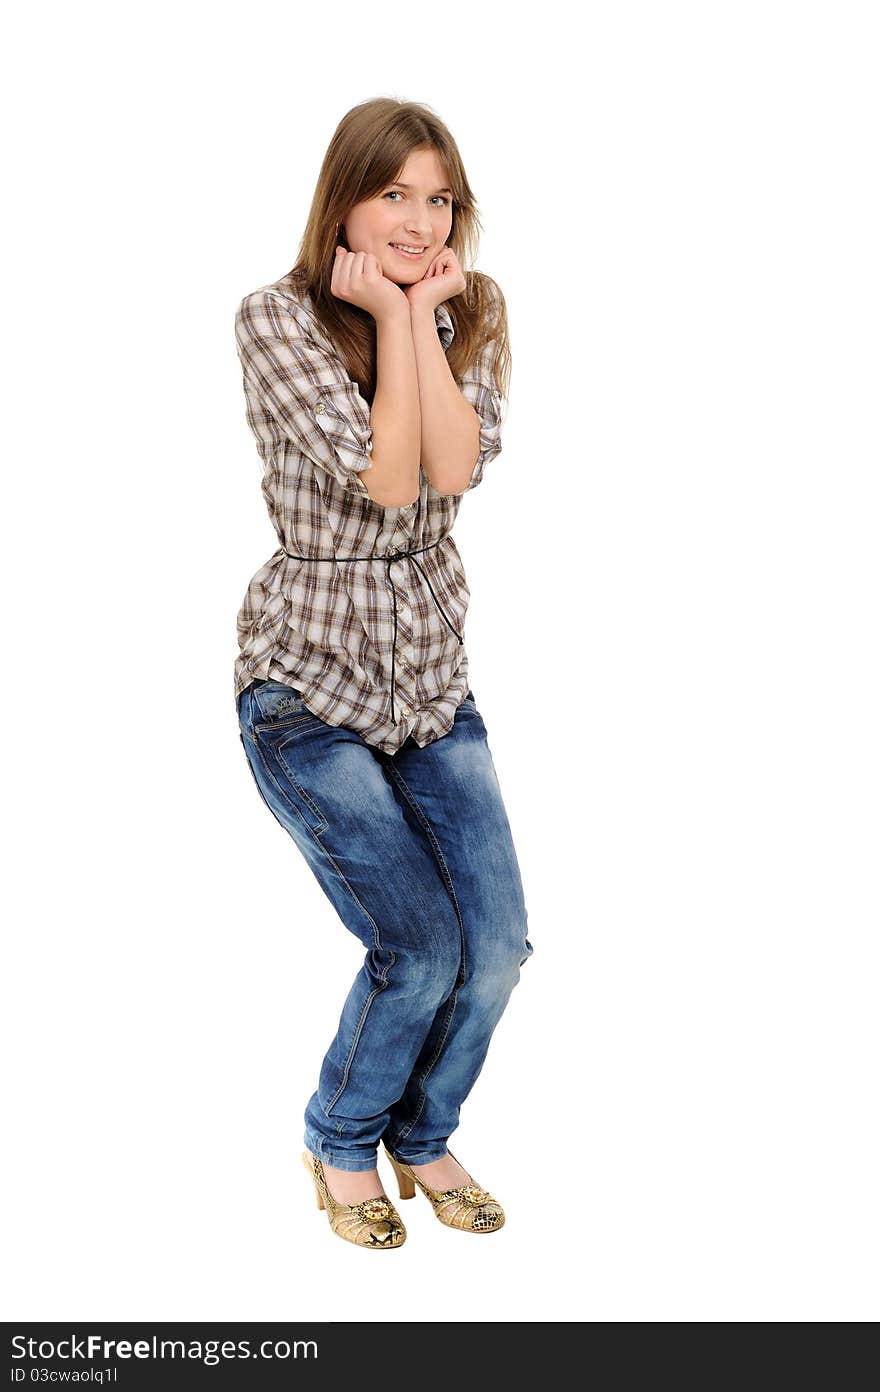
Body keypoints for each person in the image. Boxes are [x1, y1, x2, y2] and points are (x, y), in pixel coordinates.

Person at [233, 97, 534, 1250]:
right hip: (305, 685)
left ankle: (424, 1130)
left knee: (497, 947)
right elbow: (388, 481)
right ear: (343, 201)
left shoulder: (472, 309)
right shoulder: (274, 316)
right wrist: (401, 319)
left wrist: (413, 319)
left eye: (439, 197)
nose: (418, 219)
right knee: (417, 949)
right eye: (393, 193)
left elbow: (452, 461)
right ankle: (341, 1134)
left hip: (428, 676)